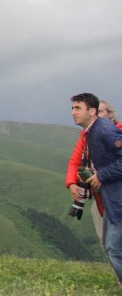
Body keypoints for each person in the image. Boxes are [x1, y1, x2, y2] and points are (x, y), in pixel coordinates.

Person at [73, 92, 122, 284]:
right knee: (110, 246)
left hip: (117, 197)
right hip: (111, 199)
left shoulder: (104, 130)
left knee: (114, 249)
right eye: (72, 108)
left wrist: (101, 175)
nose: (73, 112)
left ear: (92, 111)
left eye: (78, 108)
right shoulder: (92, 132)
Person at [66, 98, 121, 242]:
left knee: (113, 245)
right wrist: (72, 183)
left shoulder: (116, 133)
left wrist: (101, 175)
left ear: (110, 114)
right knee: (107, 241)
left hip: (115, 194)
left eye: (101, 111)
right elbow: (74, 162)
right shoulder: (86, 137)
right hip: (99, 195)